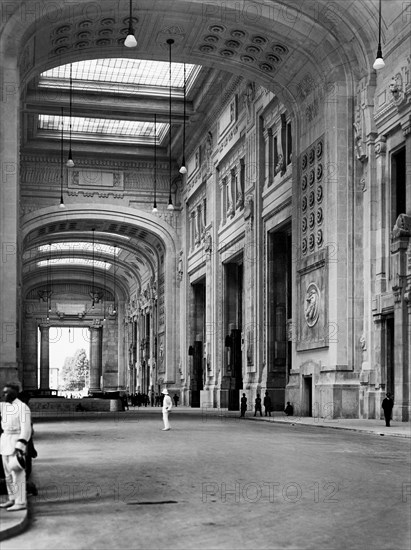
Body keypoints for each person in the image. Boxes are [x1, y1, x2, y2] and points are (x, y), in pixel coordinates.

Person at [0, 382, 32, 511]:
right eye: (3, 392)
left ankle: (20, 502)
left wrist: (20, 446)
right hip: (5, 441)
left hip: (16, 441)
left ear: (15, 393)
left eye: (7, 392)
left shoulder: (22, 407)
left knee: (17, 474)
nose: (4, 394)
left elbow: (26, 429)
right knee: (8, 474)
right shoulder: (4, 406)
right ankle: (12, 498)